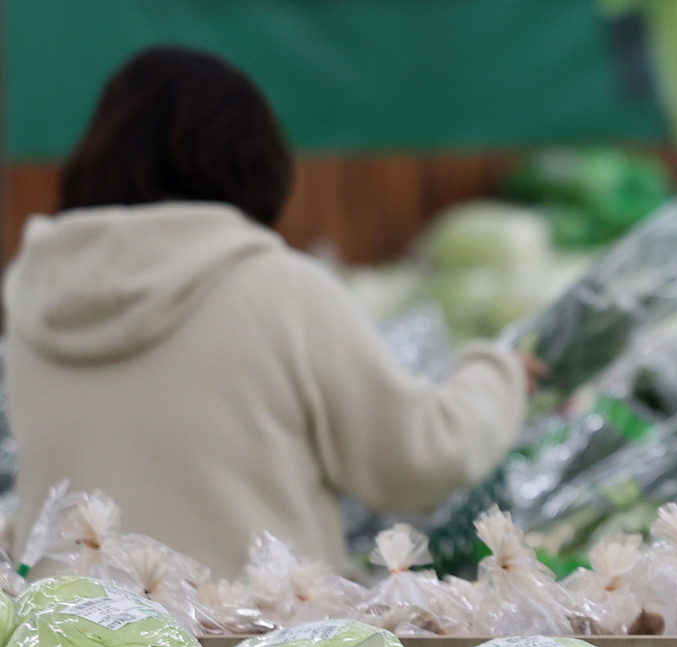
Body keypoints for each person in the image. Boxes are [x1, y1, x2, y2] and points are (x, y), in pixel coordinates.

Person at [4, 47, 527, 579]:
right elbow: (418, 459)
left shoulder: (31, 300)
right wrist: (498, 374)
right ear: (250, 158)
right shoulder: (282, 291)